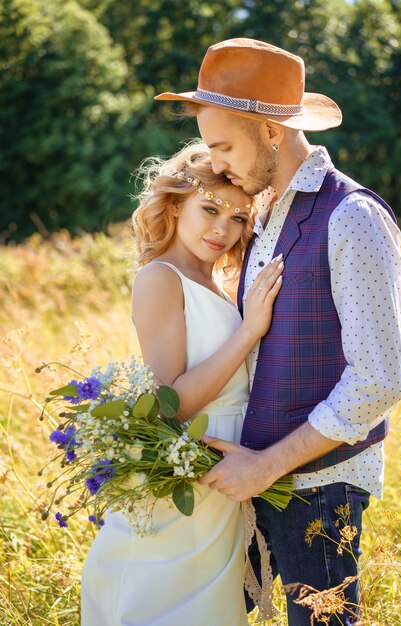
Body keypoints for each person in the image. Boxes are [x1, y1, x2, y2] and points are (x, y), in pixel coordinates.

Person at [155, 38, 401, 625]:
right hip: (259, 480)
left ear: (270, 131)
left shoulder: (352, 217)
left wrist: (265, 467)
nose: (215, 165)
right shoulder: (263, 216)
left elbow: (378, 382)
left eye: (222, 145)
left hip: (321, 487)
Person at [81, 142, 285, 626]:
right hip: (183, 482)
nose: (223, 228)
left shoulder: (221, 284)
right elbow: (169, 403)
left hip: (223, 479)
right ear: (174, 203)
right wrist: (249, 330)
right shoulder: (160, 277)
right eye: (210, 209)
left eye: (238, 219)